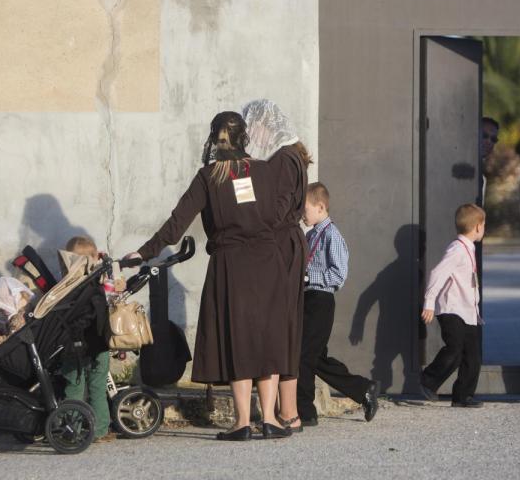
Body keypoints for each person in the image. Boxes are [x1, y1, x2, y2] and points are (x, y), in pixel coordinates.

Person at [127, 112, 292, 441]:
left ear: (213, 139)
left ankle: (243, 422)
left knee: (239, 340)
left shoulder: (209, 176)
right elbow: (281, 215)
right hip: (269, 264)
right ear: (244, 137)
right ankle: (271, 419)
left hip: (232, 265)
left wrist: (144, 252)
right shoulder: (265, 170)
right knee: (267, 338)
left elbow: (178, 222)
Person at [242, 99, 310, 432]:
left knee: (279, 325)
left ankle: (289, 412)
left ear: (265, 125)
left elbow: (278, 209)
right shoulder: (284, 156)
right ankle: (287, 412)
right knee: (282, 324)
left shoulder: (283, 158)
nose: (249, 133)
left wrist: (247, 217)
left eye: (251, 126)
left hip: (280, 246)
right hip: (282, 243)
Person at [298, 182, 379, 425]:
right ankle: (363, 389)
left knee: (302, 356)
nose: (302, 214)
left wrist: (307, 277)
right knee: (315, 358)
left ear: (321, 207)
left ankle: (305, 412)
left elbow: (339, 275)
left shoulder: (332, 235)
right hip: (306, 299)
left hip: (321, 301)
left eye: (305, 209)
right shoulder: (310, 234)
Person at [419, 203, 486, 408]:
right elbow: (437, 273)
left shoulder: (468, 248)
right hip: (452, 309)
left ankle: (462, 396)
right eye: (484, 225)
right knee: (455, 349)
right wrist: (429, 302)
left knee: (472, 357)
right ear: (477, 227)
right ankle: (427, 380)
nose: (484, 229)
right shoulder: (457, 249)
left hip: (468, 311)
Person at [59, 236, 113, 442]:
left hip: (76, 347)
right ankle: (100, 430)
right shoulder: (102, 282)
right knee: (98, 389)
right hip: (100, 345)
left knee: (74, 388)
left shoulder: (70, 285)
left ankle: (73, 428)